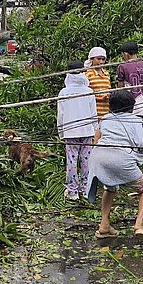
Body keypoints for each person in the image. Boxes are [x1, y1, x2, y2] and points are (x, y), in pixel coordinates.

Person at [86, 90, 143, 244]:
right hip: (120, 159)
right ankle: (139, 225)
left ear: (110, 105)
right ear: (131, 106)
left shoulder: (105, 119)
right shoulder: (137, 121)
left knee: (110, 187)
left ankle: (104, 226)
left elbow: (96, 140)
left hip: (98, 157)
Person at [57, 61, 98, 200]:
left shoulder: (64, 92)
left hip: (70, 131)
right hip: (87, 130)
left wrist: (61, 132)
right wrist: (95, 129)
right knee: (86, 160)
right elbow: (94, 113)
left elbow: (60, 114)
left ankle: (72, 191)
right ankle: (86, 189)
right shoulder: (89, 91)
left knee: (71, 161)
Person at [84, 47, 111, 119]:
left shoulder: (106, 74)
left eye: (103, 59)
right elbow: (85, 95)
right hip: (93, 112)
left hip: (106, 112)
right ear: (92, 59)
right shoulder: (87, 74)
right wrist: (100, 98)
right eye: (98, 59)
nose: (101, 62)